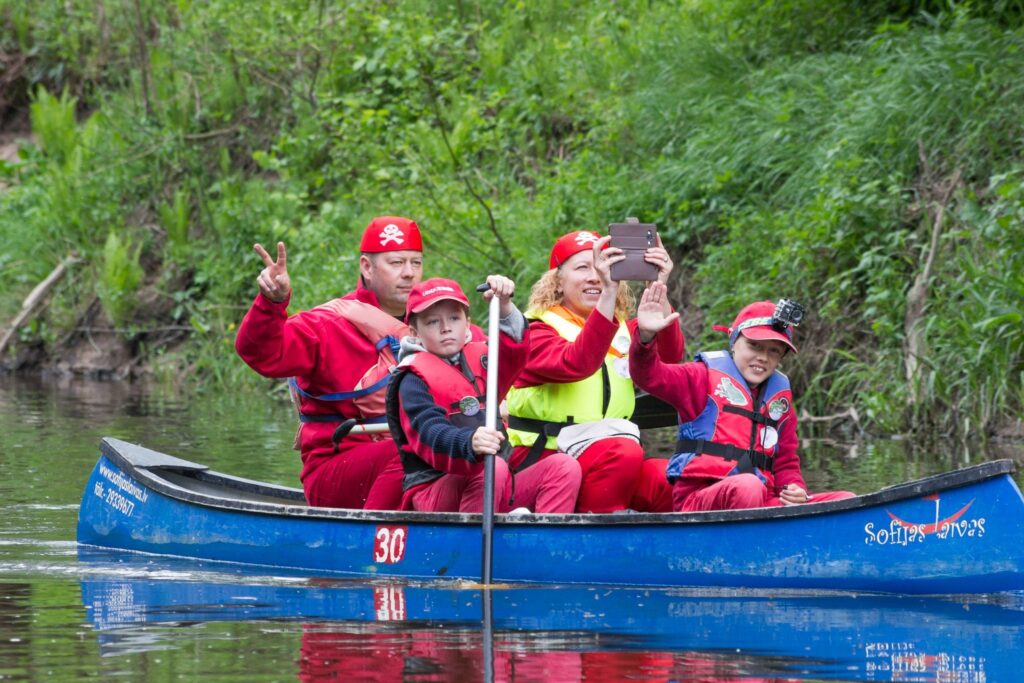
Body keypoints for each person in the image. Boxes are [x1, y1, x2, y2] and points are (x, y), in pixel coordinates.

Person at [234, 216, 426, 510]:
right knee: (410, 452)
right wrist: (271, 303)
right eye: (397, 263)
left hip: (410, 466)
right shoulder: (327, 325)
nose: (409, 273)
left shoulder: (437, 324)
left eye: (416, 263)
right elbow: (261, 353)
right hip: (335, 472)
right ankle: (371, 545)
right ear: (367, 267)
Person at [629, 285, 856, 511]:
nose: (762, 357)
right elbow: (648, 376)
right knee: (749, 486)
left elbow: (786, 462)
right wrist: (646, 338)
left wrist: (795, 490)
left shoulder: (779, 399)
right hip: (700, 500)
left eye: (773, 351)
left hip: (761, 499)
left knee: (847, 500)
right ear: (734, 341)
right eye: (754, 346)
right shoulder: (699, 376)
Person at [505, 230, 684, 513]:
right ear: (558, 282)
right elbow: (576, 363)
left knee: (671, 478)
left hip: (609, 457)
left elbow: (671, 361)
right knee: (622, 452)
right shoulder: (532, 332)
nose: (595, 276)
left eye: (603, 266)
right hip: (548, 457)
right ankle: (598, 540)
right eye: (582, 267)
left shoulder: (623, 329)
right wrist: (609, 293)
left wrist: (656, 286)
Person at [386, 277, 580, 513]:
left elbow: (516, 350)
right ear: (415, 333)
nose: (446, 328)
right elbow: (429, 433)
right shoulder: (411, 378)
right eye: (433, 321)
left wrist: (505, 305)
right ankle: (470, 546)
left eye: (454, 319)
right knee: (492, 468)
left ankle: (543, 544)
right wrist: (469, 442)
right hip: (434, 490)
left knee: (564, 466)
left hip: (493, 478)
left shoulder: (485, 358)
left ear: (467, 324)